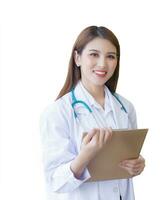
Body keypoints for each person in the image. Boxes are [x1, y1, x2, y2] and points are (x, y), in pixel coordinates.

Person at [40, 26, 145, 200]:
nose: (103, 64)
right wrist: (85, 155)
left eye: (110, 56)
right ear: (77, 58)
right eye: (94, 54)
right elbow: (55, 182)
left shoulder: (126, 108)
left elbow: (124, 164)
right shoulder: (58, 112)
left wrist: (137, 165)